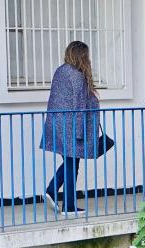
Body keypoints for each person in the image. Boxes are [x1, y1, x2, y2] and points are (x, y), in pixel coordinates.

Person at [41, 41, 101, 215]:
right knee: (72, 163)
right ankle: (68, 204)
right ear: (83, 56)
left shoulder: (61, 71)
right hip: (72, 128)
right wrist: (80, 133)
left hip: (56, 125)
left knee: (70, 162)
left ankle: (53, 191)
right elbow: (79, 105)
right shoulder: (77, 76)